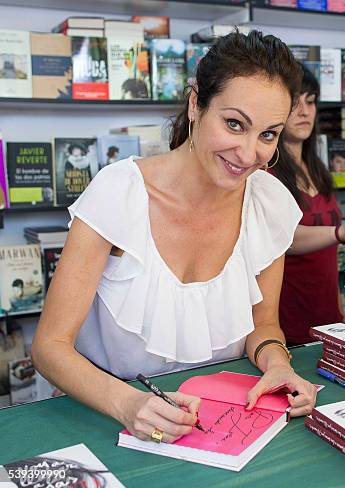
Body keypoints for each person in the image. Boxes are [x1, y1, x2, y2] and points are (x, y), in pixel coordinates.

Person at [31, 31, 318, 445]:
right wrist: (127, 404)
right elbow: (50, 346)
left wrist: (277, 362)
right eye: (234, 124)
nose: (248, 153)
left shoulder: (268, 203)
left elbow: (263, 326)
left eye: (268, 135)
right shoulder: (119, 192)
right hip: (107, 416)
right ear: (196, 103)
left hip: (220, 425)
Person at [272, 64, 345, 345]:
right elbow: (282, 237)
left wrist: (341, 311)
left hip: (329, 314)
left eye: (310, 101)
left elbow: (327, 257)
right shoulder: (267, 171)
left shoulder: (316, 168)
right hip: (287, 322)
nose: (304, 111)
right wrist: (339, 232)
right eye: (294, 103)